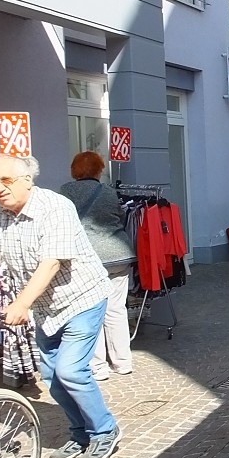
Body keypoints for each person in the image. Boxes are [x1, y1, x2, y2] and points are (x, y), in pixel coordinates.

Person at [0, 153, 120, 458]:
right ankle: (81, 434)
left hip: (81, 298)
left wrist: (21, 303)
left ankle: (105, 430)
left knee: (70, 370)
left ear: (26, 180)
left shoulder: (54, 206)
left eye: (5, 180)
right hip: (46, 307)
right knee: (50, 376)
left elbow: (51, 262)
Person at [60, 151, 134, 380]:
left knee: (91, 312)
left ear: (75, 170)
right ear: (98, 170)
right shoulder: (109, 193)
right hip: (118, 257)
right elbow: (119, 218)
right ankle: (123, 363)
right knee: (116, 310)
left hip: (87, 259)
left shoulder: (65, 192)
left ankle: (98, 367)